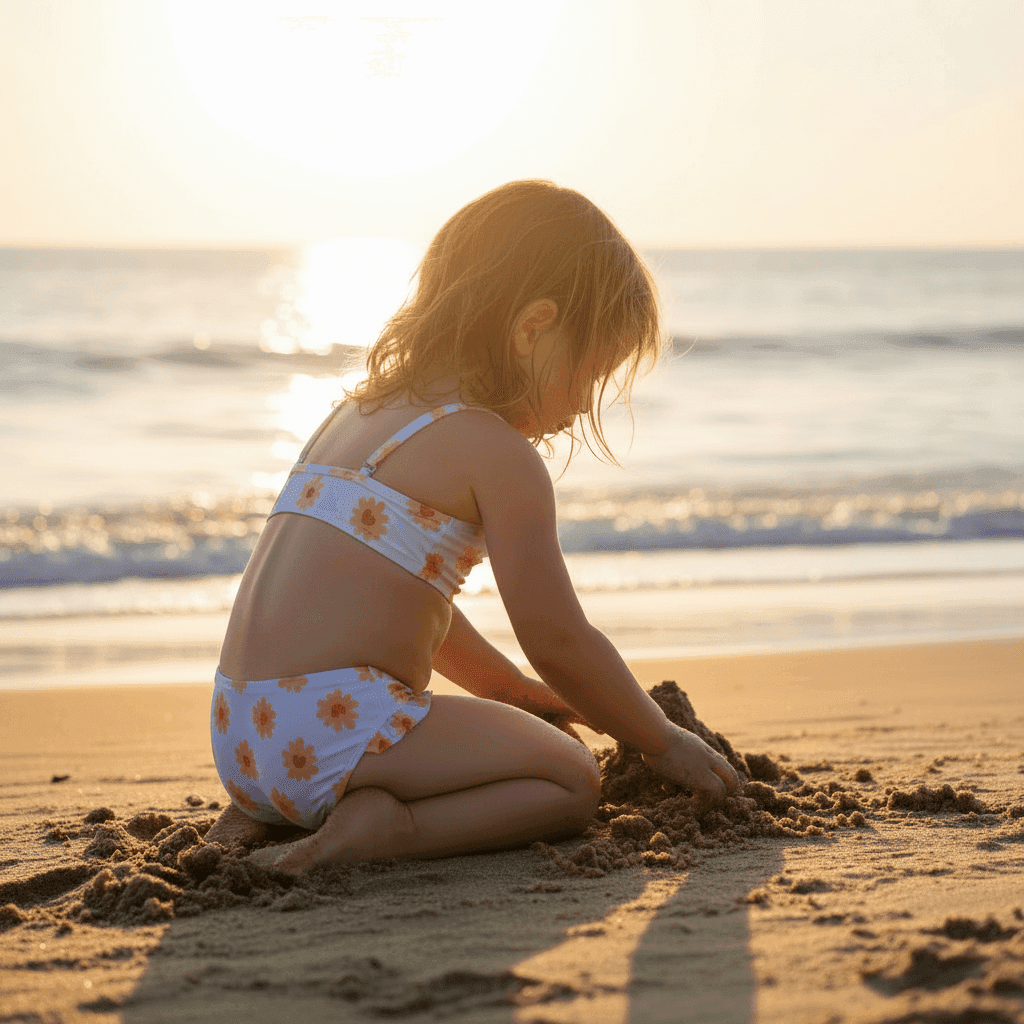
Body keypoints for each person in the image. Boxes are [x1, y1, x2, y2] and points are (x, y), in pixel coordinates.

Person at [204, 180, 741, 872]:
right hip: (330, 735)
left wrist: (510, 692)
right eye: (591, 373)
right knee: (569, 778)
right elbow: (558, 637)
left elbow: (415, 607)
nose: (584, 405)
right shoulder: (498, 455)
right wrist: (660, 739)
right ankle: (381, 831)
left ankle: (272, 811)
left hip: (242, 738)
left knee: (483, 736)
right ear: (532, 330)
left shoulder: (358, 411)